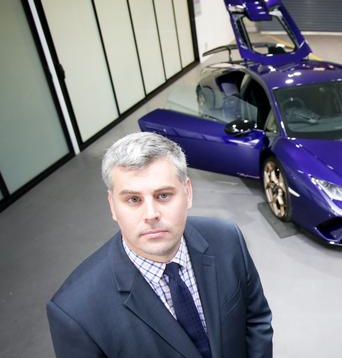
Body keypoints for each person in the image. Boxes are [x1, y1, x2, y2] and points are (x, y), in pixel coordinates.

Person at [47, 132, 273, 358]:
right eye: (133, 199)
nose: (151, 214)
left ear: (188, 193)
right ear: (112, 206)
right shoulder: (75, 311)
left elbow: (256, 320)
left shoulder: (227, 239)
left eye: (163, 195)